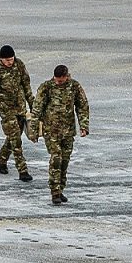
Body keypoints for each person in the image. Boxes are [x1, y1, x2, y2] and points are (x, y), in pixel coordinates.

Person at [30, 65, 89, 205]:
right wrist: (33, 130)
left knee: (65, 161)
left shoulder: (74, 86)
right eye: (56, 80)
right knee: (56, 159)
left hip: (68, 131)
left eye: (61, 81)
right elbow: (37, 109)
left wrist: (84, 126)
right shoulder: (46, 87)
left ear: (66, 76)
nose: (58, 82)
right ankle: (54, 191)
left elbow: (82, 106)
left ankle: (60, 188)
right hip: (51, 131)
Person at [0, 45, 34, 181]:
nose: (10, 62)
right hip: (5, 107)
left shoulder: (19, 65)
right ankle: (22, 170)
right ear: (1, 59)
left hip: (19, 105)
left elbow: (26, 86)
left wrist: (33, 105)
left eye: (11, 59)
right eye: (7, 60)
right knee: (15, 138)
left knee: (15, 135)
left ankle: (2, 160)